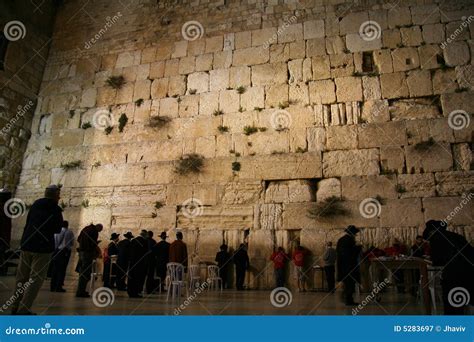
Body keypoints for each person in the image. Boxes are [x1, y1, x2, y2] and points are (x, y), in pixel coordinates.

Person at [11, 185, 63, 315]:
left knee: (21, 277)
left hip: (27, 244)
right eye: (58, 194)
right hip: (43, 248)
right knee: (35, 279)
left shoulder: (35, 205)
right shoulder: (55, 209)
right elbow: (57, 229)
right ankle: (24, 309)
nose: (59, 196)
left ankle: (14, 306)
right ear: (55, 195)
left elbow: (28, 223)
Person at [423, 220, 474, 315]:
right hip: (469, 274)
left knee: (452, 307)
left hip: (454, 275)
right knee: (462, 302)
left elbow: (437, 260)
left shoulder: (436, 238)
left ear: (431, 232)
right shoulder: (457, 236)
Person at [336, 225, 362, 306]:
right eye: (355, 233)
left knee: (347, 282)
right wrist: (358, 248)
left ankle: (348, 299)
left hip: (342, 265)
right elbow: (350, 253)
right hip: (349, 266)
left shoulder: (341, 240)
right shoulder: (350, 240)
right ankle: (349, 300)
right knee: (350, 283)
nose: (355, 235)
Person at [76, 223, 103, 297]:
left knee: (82, 272)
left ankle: (80, 290)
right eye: (100, 230)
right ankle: (80, 292)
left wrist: (83, 245)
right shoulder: (94, 231)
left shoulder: (85, 228)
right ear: (98, 228)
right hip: (87, 253)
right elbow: (92, 244)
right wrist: (95, 244)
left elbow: (78, 239)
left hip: (82, 252)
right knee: (85, 273)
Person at [50, 220, 75, 292]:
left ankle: (52, 286)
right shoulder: (69, 232)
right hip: (64, 252)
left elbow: (55, 242)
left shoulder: (56, 232)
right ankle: (58, 286)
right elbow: (72, 243)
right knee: (62, 269)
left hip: (56, 251)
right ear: (67, 225)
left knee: (55, 269)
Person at [127, 230, 149, 298]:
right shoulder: (144, 242)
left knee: (131, 277)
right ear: (144, 235)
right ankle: (136, 292)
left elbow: (129, 251)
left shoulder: (133, 240)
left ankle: (130, 292)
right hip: (140, 264)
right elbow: (146, 254)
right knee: (138, 278)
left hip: (132, 262)